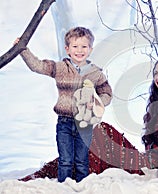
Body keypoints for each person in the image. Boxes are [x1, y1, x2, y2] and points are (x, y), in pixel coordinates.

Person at [19, 56, 158, 181]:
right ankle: (53, 171)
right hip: (149, 159)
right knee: (98, 134)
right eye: (156, 73)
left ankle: (52, 172)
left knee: (101, 132)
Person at [14, 27, 113, 182]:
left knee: (81, 161)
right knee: (65, 160)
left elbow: (107, 93)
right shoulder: (60, 68)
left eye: (84, 46)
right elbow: (37, 66)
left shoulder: (96, 73)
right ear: (67, 49)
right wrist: (23, 50)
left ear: (90, 49)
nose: (79, 50)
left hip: (84, 122)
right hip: (64, 122)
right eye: (75, 46)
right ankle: (63, 188)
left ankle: (82, 188)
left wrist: (96, 103)